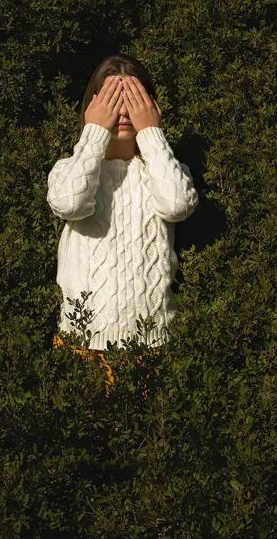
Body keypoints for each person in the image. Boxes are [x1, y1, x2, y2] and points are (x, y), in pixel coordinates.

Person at [46, 55, 199, 394]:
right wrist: (94, 133)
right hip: (83, 349)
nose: (124, 111)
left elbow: (177, 204)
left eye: (133, 100)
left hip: (153, 348)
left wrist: (153, 135)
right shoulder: (69, 171)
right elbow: (69, 202)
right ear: (93, 107)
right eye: (113, 100)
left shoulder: (164, 171)